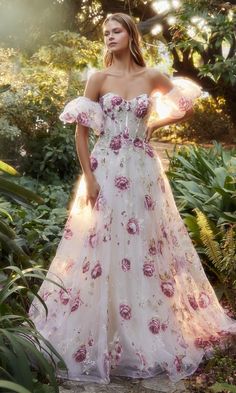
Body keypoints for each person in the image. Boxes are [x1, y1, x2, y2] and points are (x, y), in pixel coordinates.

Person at [29, 12, 236, 384]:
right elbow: (81, 134)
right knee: (101, 245)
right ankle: (104, 335)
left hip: (143, 171)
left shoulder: (151, 76)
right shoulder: (98, 78)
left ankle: (144, 332)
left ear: (130, 34)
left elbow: (184, 105)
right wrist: (89, 179)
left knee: (145, 246)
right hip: (105, 168)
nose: (109, 36)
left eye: (116, 30)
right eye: (105, 32)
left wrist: (155, 123)